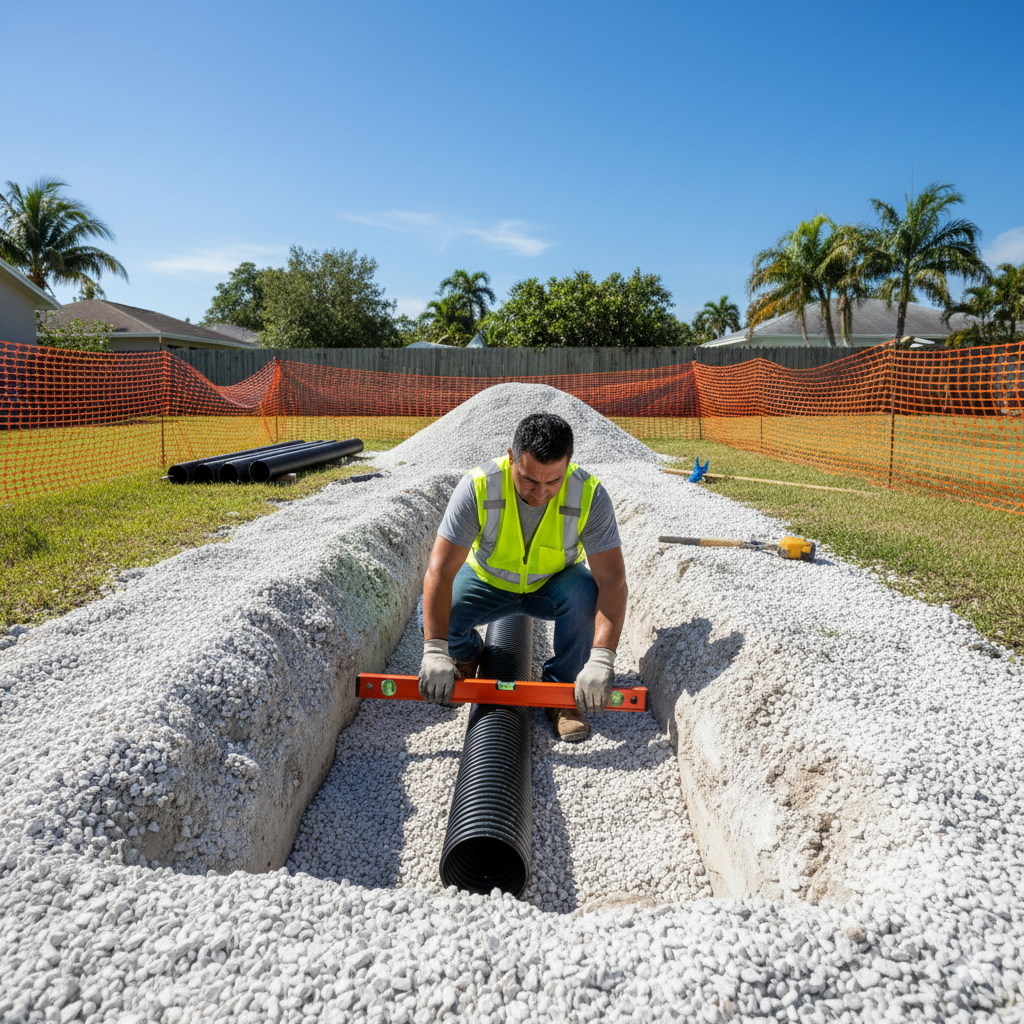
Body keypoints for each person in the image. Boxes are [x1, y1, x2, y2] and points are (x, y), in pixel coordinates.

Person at [418, 412, 628, 742]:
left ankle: (562, 693)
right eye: (530, 480)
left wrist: (602, 660)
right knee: (437, 613)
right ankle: (467, 653)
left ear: (568, 463)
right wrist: (435, 651)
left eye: (553, 481)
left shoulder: (589, 495)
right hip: (489, 583)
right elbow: (440, 571)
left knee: (585, 594)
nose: (540, 492)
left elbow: (613, 580)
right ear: (511, 456)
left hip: (552, 583)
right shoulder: (479, 487)